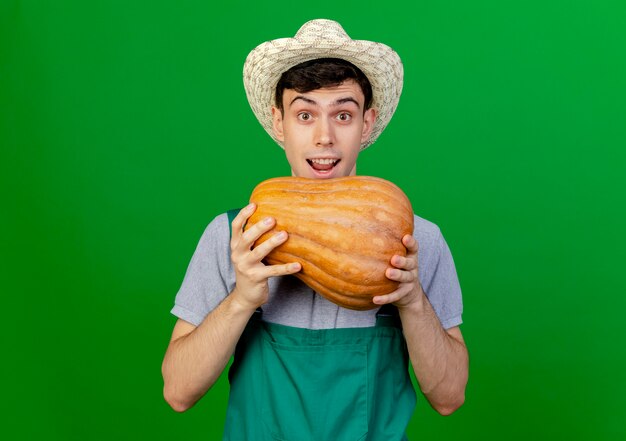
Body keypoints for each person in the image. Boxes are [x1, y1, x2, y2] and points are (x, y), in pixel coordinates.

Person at [162, 19, 469, 440]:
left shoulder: (417, 240)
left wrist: (412, 301)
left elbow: (450, 397)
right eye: (305, 114)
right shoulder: (236, 235)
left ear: (366, 123)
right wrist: (242, 299)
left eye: (343, 114)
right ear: (279, 123)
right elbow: (178, 392)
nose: (324, 137)